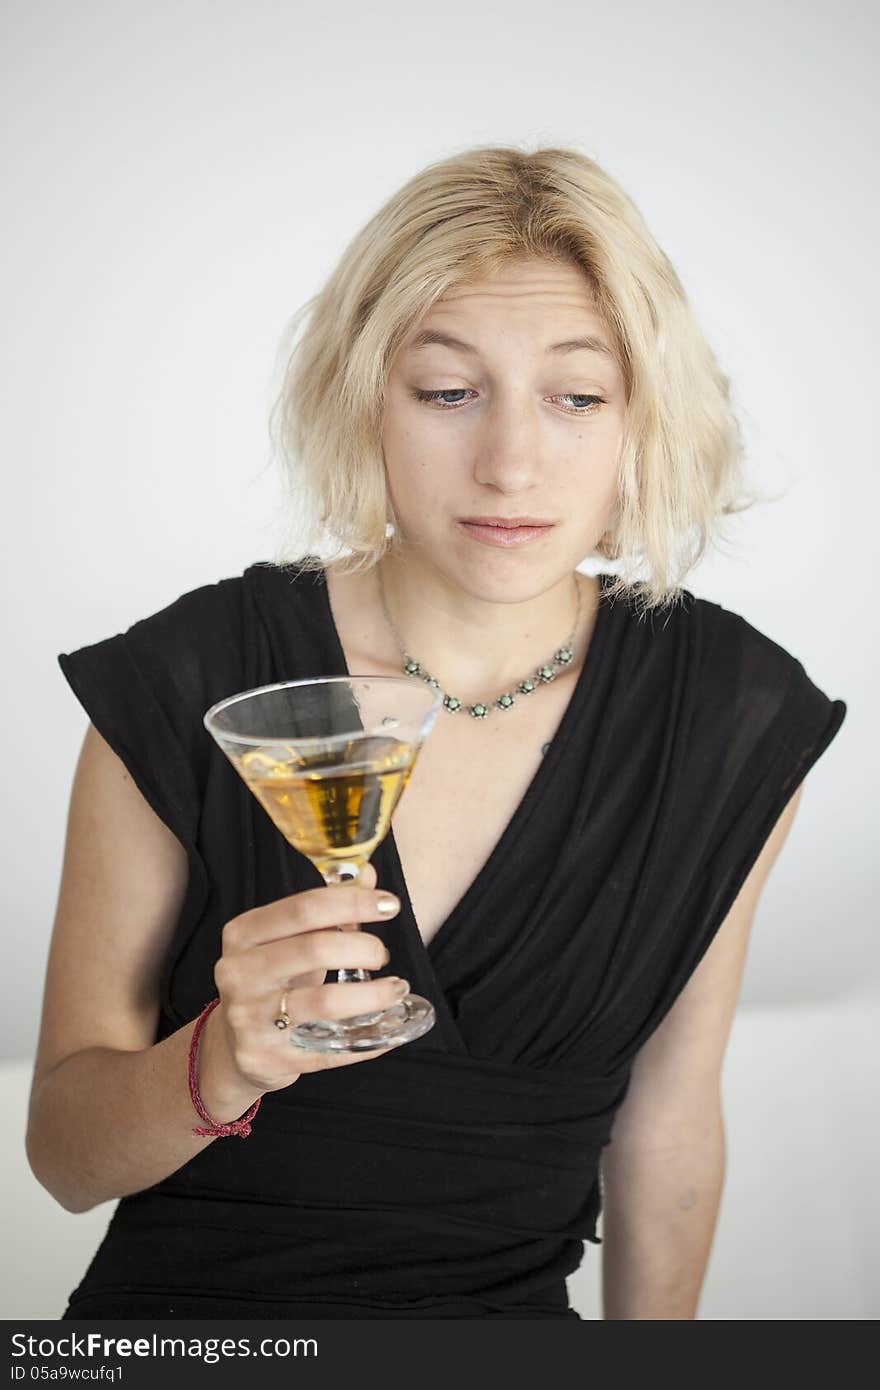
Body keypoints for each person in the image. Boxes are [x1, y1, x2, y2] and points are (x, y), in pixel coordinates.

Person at [26, 144, 847, 1320]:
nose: (511, 462)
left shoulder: (725, 711)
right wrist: (221, 1058)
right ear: (366, 399)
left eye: (576, 395)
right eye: (447, 390)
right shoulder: (194, 677)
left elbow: (668, 1120)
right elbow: (63, 1157)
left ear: (642, 419)